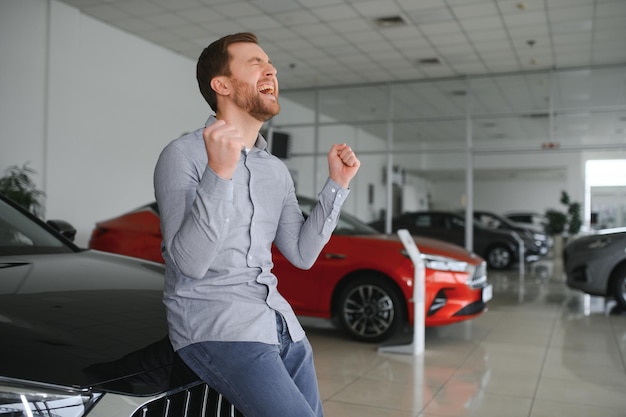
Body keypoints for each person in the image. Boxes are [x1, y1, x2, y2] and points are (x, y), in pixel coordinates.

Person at [153, 32, 360, 417]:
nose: (271, 69)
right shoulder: (182, 156)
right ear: (222, 85)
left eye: (269, 63)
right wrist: (220, 173)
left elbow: (301, 253)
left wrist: (338, 185)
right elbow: (190, 264)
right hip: (218, 328)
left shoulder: (274, 170)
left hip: (281, 325)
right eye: (255, 63)